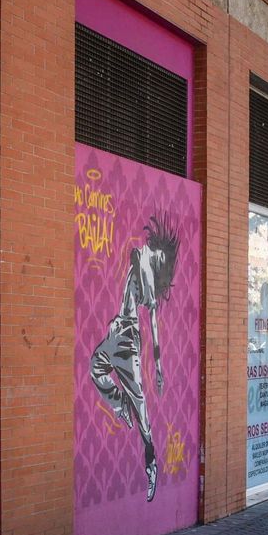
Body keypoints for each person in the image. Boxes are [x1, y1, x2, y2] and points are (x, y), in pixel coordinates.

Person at [88, 215, 180, 501]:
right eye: (161, 254)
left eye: (161, 257)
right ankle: (121, 405)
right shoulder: (142, 259)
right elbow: (137, 257)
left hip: (127, 339)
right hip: (116, 329)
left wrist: (160, 365)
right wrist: (160, 367)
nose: (159, 258)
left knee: (141, 404)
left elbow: (152, 324)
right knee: (96, 368)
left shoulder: (146, 271)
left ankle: (150, 458)